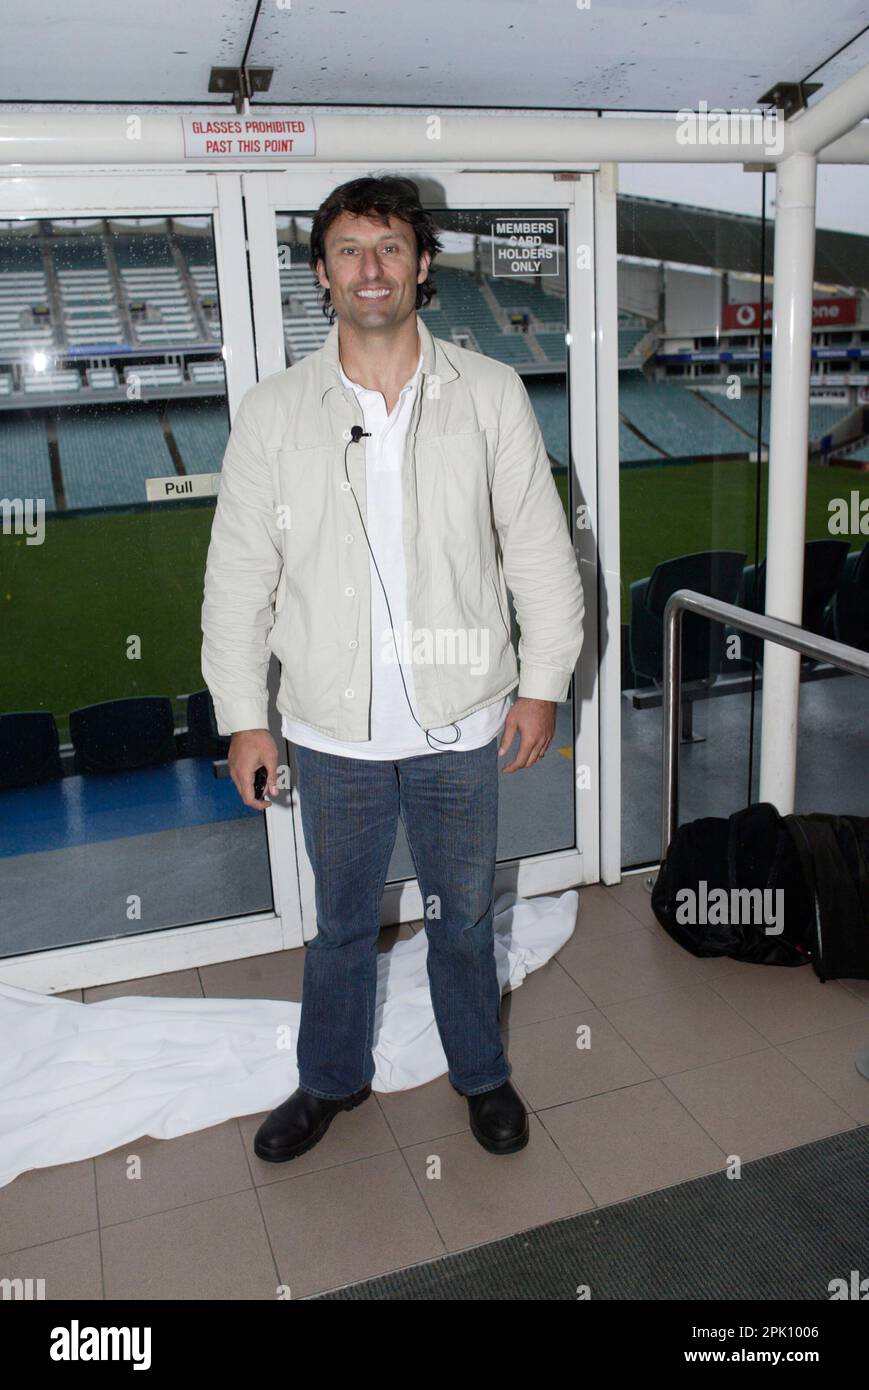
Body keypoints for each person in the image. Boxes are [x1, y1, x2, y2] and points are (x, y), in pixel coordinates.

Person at [201, 175, 584, 1160]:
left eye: (387, 246)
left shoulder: (488, 392)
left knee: (461, 919)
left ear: (420, 265)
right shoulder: (275, 410)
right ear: (321, 275)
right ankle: (329, 1080)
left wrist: (541, 682)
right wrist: (246, 714)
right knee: (337, 928)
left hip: (462, 723)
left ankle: (480, 1074)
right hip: (331, 733)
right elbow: (239, 573)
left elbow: (540, 553)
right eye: (345, 249)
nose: (368, 266)